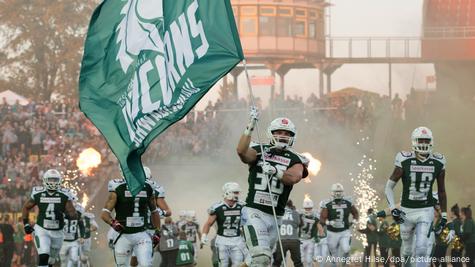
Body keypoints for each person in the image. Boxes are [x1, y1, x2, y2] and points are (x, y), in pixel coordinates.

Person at [236, 107, 309, 266]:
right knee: (261, 257)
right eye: (279, 132)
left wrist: (277, 171)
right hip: (254, 212)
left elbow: (294, 177)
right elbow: (241, 152)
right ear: (271, 133)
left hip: (276, 217)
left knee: (256, 262)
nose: (282, 136)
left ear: (292, 137)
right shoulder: (259, 149)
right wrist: (250, 125)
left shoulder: (296, 159)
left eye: (287, 133)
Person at [384, 126, 447, 267]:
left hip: (426, 209)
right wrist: (393, 208)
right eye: (421, 140)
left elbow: (442, 191)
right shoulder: (404, 159)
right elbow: (389, 187)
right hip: (407, 210)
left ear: (431, 142)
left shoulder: (438, 161)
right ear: (414, 141)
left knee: (422, 247)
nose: (424, 144)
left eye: (427, 140)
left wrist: (443, 214)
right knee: (406, 249)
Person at [100, 168, 161, 267]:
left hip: (142, 234)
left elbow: (154, 211)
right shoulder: (118, 187)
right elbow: (104, 214)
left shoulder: (148, 187)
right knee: (122, 265)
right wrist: (113, 223)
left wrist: (158, 231)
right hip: (123, 235)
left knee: (146, 265)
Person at [22, 169, 78, 267]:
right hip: (42, 229)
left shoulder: (65, 194)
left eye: (55, 180)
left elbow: (73, 214)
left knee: (51, 260)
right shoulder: (38, 193)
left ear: (59, 180)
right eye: (50, 180)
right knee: (44, 255)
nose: (53, 182)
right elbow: (26, 207)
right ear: (45, 180)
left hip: (58, 231)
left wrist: (69, 214)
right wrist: (26, 224)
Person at [201, 182, 246, 267]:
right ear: (228, 192)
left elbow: (248, 222)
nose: (237, 194)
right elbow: (208, 223)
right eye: (235, 192)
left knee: (238, 264)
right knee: (223, 264)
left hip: (238, 240)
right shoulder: (217, 207)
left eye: (237, 192)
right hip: (222, 240)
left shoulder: (242, 206)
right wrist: (204, 236)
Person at [320, 183, 359, 266]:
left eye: (339, 191)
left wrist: (355, 220)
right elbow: (322, 218)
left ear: (343, 192)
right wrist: (329, 222)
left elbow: (355, 213)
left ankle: (343, 264)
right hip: (332, 232)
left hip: (344, 231)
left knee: (346, 249)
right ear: (332, 192)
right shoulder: (327, 203)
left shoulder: (348, 202)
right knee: (334, 256)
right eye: (336, 191)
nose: (338, 193)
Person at [272, 200, 302, 267]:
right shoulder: (295, 213)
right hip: (294, 240)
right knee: (298, 262)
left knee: (277, 262)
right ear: (291, 205)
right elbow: (298, 224)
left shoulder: (278, 212)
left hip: (282, 240)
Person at [60, 196, 85, 267]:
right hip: (63, 241)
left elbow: (81, 226)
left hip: (73, 240)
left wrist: (82, 237)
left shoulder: (78, 214)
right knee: (63, 261)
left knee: (74, 259)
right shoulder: (62, 212)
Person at [300, 197, 318, 267]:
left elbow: (316, 229)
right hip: (301, 239)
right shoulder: (299, 216)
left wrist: (315, 237)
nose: (308, 210)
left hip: (310, 240)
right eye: (306, 208)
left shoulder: (315, 217)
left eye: (309, 208)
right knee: (301, 259)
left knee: (309, 260)